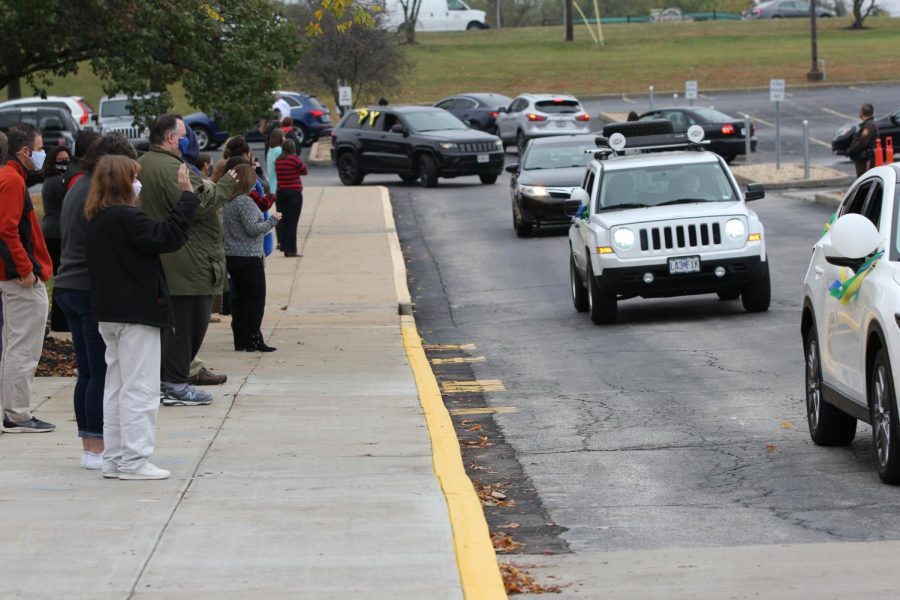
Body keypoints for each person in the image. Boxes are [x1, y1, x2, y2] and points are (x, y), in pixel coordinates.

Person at [85, 157, 201, 480]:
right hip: (135, 313)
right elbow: (169, 235)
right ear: (124, 182)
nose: (139, 184)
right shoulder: (126, 217)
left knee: (117, 386)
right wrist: (187, 196)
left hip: (110, 313)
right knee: (140, 388)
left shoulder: (97, 217)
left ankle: (116, 456)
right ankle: (134, 459)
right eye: (134, 178)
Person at [138, 114, 235, 405]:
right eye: (183, 134)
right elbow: (199, 204)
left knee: (173, 328)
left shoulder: (142, 164)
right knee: (187, 327)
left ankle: (168, 381)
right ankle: (176, 385)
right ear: (170, 138)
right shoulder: (171, 168)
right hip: (186, 261)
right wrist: (227, 185)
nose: (187, 140)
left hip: (163, 259)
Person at [55, 133, 138, 469]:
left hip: (67, 286)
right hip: (87, 288)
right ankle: (97, 446)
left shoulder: (77, 185)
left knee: (88, 372)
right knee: (99, 371)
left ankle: (90, 445)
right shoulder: (95, 191)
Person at [0, 124, 55, 433]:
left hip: (16, 275)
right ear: (24, 152)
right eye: (39, 147)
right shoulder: (11, 180)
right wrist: (24, 269)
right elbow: (7, 229)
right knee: (23, 347)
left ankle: (13, 411)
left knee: (14, 345)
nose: (42, 153)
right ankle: (17, 414)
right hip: (20, 278)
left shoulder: (11, 177)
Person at [223, 164, 280, 352]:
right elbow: (252, 229)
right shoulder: (244, 201)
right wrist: (272, 221)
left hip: (232, 255)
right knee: (255, 299)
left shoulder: (228, 201)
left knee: (239, 300)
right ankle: (254, 338)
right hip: (248, 256)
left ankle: (241, 339)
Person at [41, 145, 73, 332]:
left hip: (52, 230)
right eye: (61, 160)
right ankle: (61, 322)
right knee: (62, 277)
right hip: (57, 233)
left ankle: (60, 320)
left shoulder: (49, 180)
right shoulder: (58, 182)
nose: (65, 163)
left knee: (59, 277)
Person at [274, 139, 308, 258]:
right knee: (292, 222)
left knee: (284, 220)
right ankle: (291, 250)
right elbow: (304, 171)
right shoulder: (294, 159)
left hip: (281, 192)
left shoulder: (278, 160)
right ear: (293, 148)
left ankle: (284, 246)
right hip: (293, 193)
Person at [848, 103, 879, 177]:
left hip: (865, 158)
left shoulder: (869, 126)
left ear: (862, 113)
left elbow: (862, 142)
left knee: (864, 178)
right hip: (865, 157)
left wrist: (851, 150)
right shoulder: (868, 124)